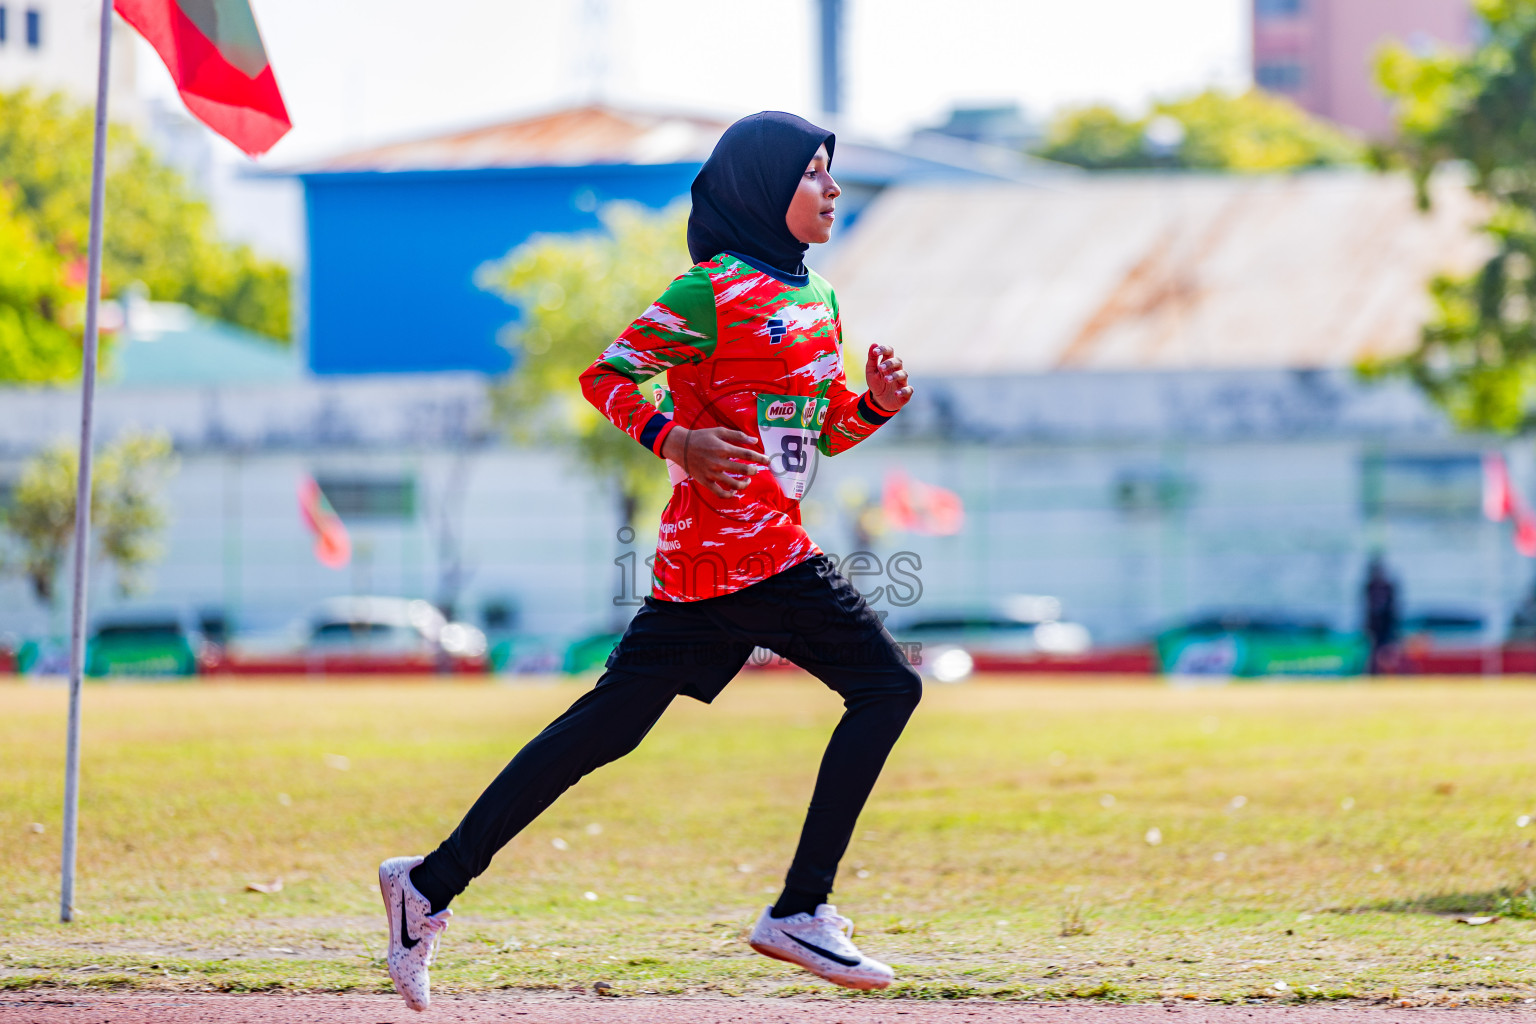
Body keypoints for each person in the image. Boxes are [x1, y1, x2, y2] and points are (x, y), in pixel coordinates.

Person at [377, 111, 921, 1012]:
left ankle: (426, 884)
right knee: (888, 687)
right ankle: (800, 909)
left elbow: (816, 434)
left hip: (720, 567)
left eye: (832, 172)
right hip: (744, 550)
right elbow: (608, 376)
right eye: (813, 172)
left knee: (607, 729)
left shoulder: (819, 299)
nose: (831, 189)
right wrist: (678, 441)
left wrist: (873, 405)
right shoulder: (708, 292)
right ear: (761, 188)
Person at [1363, 556, 1399, 674]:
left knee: (1388, 652)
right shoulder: (1370, 586)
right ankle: (1372, 673)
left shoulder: (1388, 587)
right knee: (1373, 653)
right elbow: (1367, 608)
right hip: (1374, 627)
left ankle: (1392, 674)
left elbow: (1393, 607)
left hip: (1387, 624)